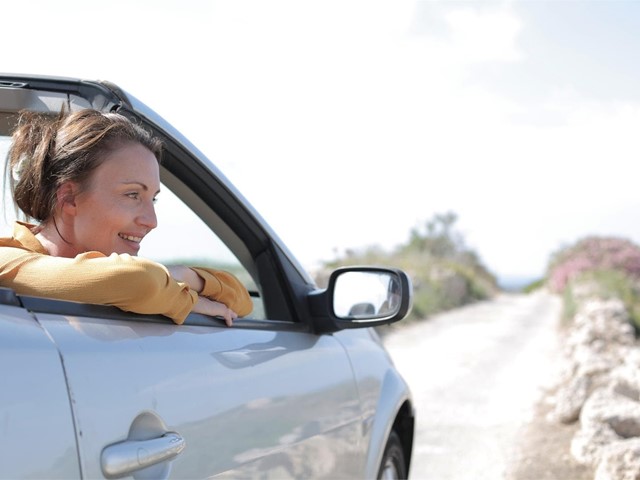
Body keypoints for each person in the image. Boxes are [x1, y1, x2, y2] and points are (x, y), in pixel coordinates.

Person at [0, 109, 252, 326]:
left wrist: (182, 276)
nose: (151, 221)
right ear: (69, 197)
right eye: (132, 195)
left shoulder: (117, 270)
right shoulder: (7, 259)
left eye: (152, 198)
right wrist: (184, 299)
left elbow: (240, 299)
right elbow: (138, 280)